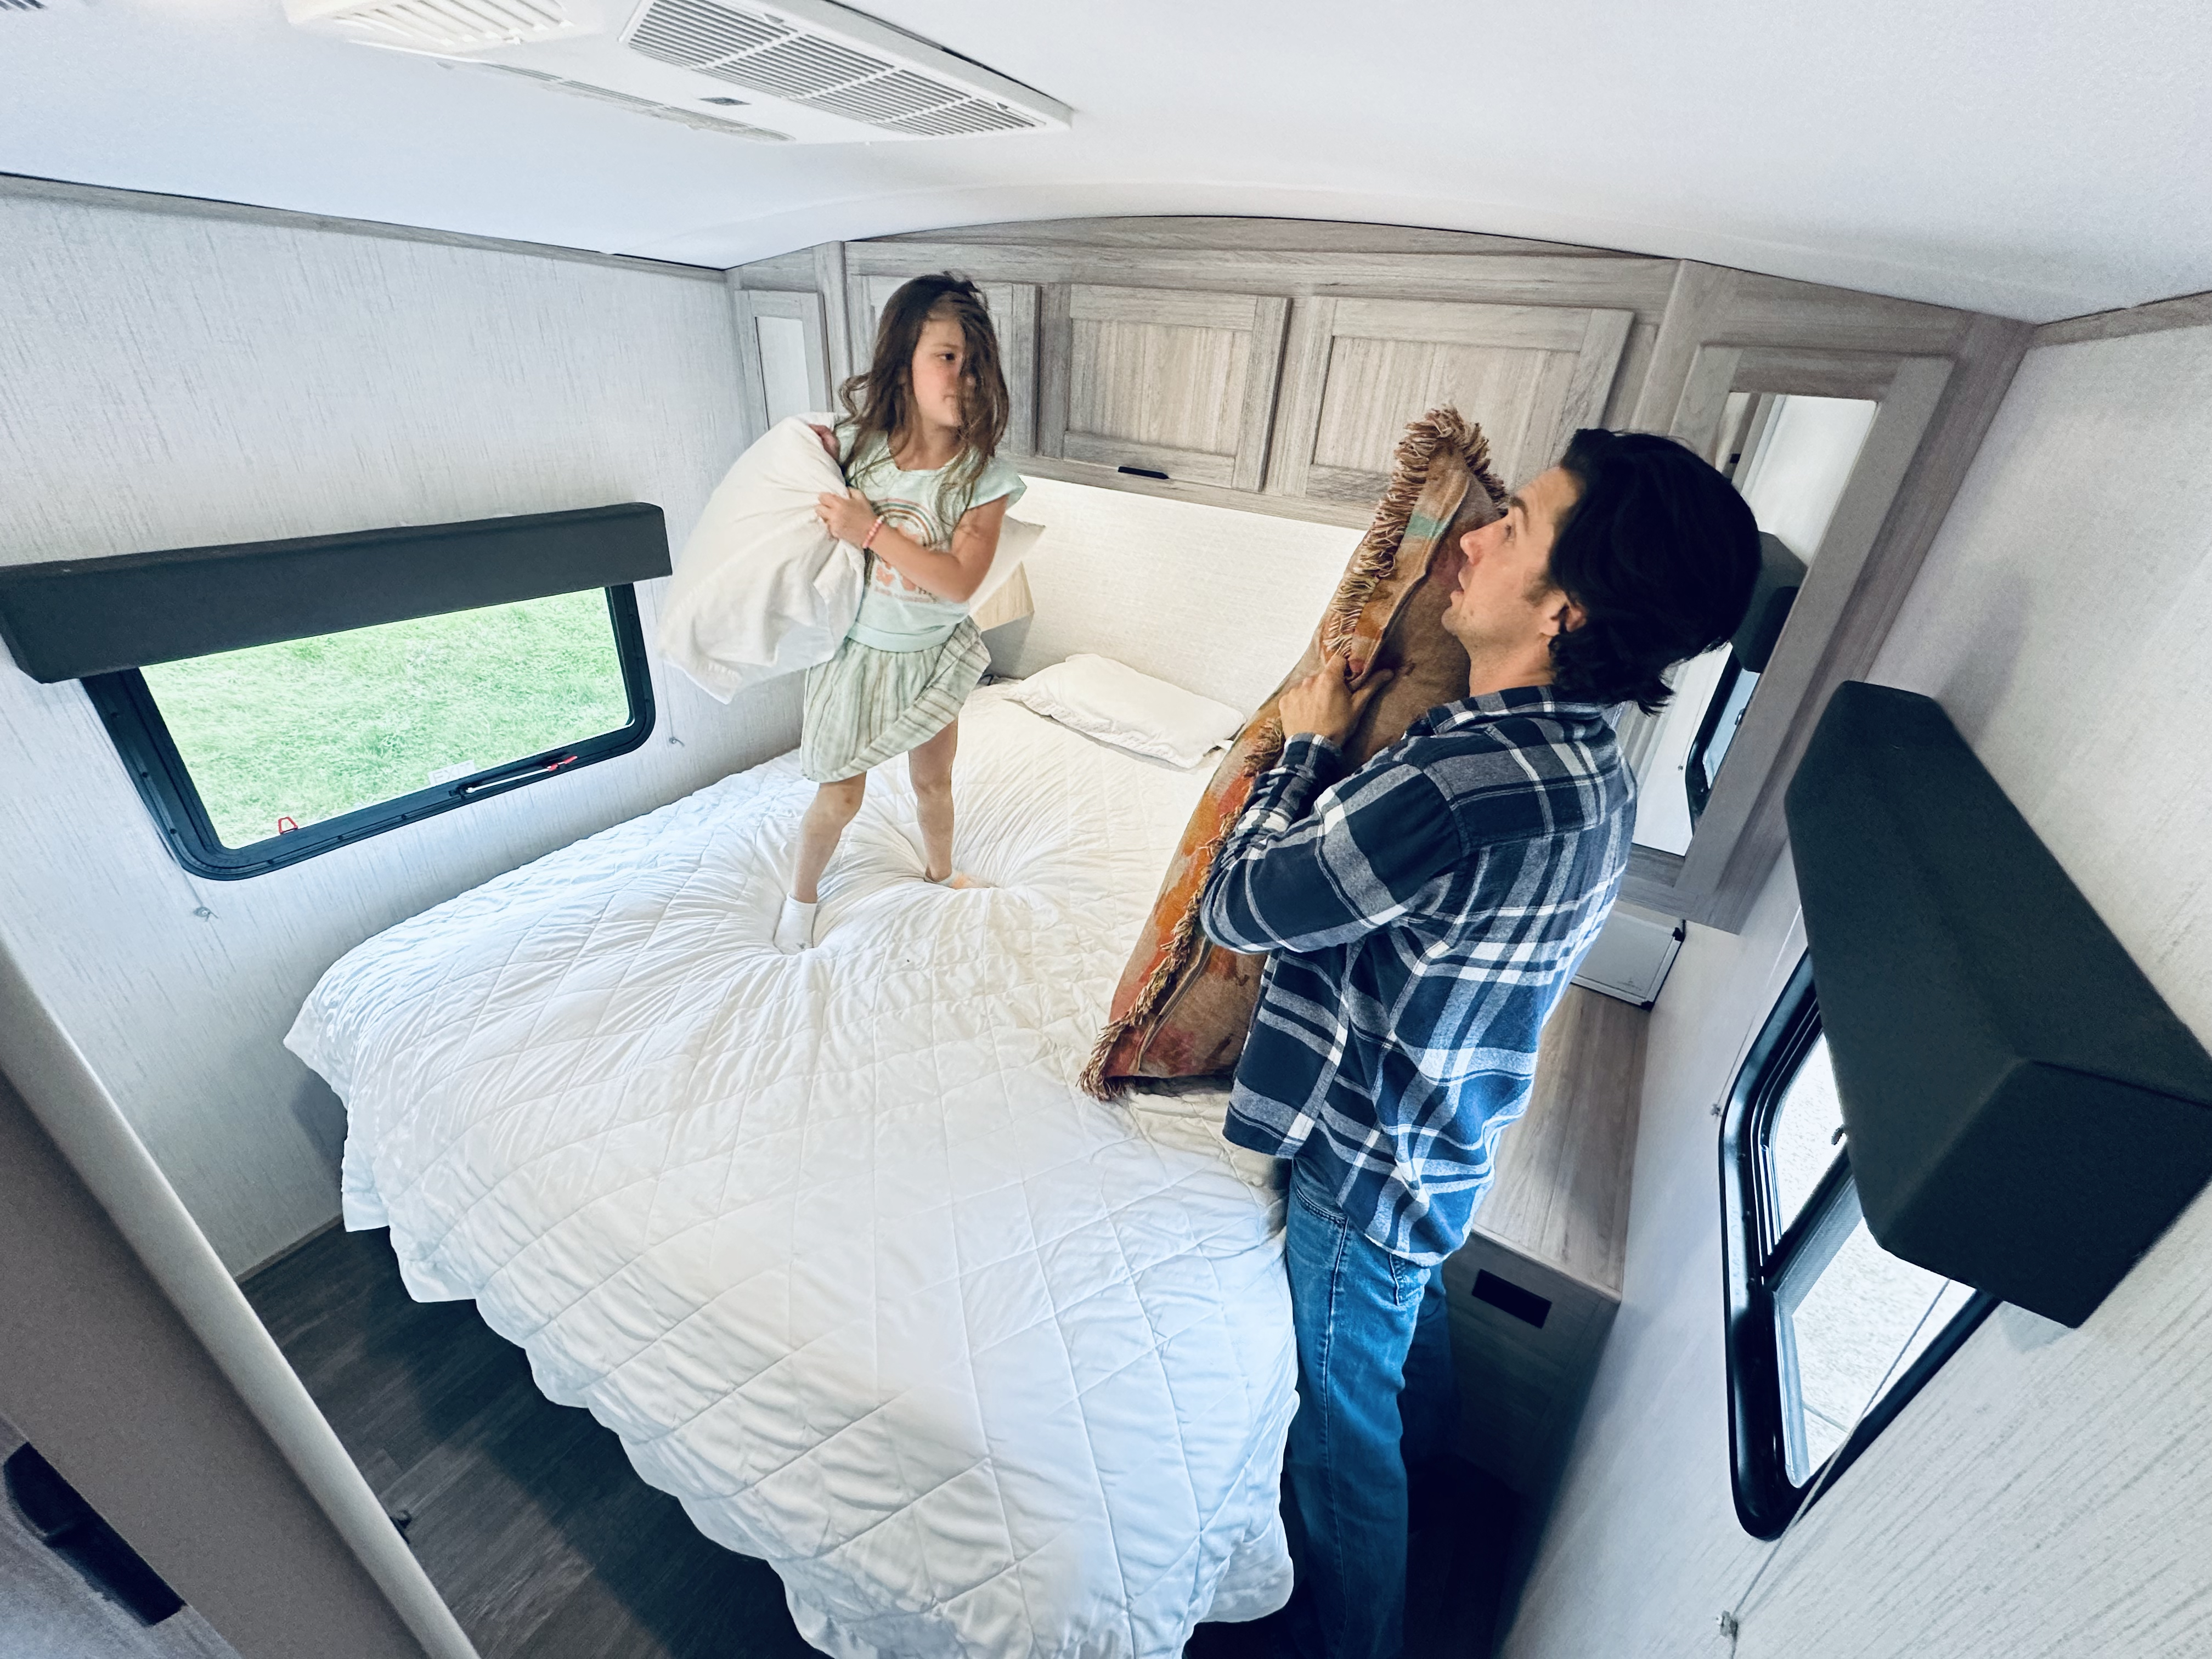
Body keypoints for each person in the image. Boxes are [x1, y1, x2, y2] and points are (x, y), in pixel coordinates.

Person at [1198, 429, 1761, 1658]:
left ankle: (1363, 1637)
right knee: (1407, 1343)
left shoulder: (1464, 776)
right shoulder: (1590, 763)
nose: (1471, 539)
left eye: (1516, 526)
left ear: (1562, 609)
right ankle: (1440, 1475)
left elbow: (1240, 903)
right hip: (1452, 1133)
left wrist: (1302, 745)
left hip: (1368, 1163)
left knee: (1336, 1446)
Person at [774, 274, 1023, 953]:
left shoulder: (982, 479)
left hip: (932, 655)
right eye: (946, 357)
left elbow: (959, 583)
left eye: (975, 364)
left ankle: (940, 872)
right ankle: (801, 898)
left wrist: (873, 532)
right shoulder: (861, 452)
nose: (963, 377)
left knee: (932, 782)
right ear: (904, 362)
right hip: (856, 653)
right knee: (840, 799)